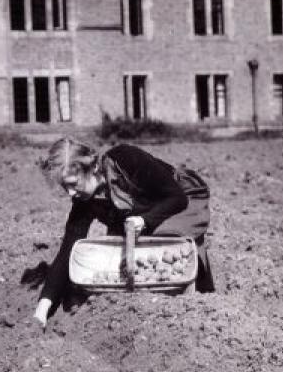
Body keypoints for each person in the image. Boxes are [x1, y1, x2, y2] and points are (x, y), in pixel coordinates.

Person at [33, 137, 215, 327]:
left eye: (73, 183)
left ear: (91, 168)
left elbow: (176, 198)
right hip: (143, 217)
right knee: (119, 260)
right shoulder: (84, 201)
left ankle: (189, 306)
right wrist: (42, 310)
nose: (70, 193)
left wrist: (144, 220)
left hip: (179, 201)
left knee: (163, 250)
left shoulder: (126, 160)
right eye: (65, 187)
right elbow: (67, 252)